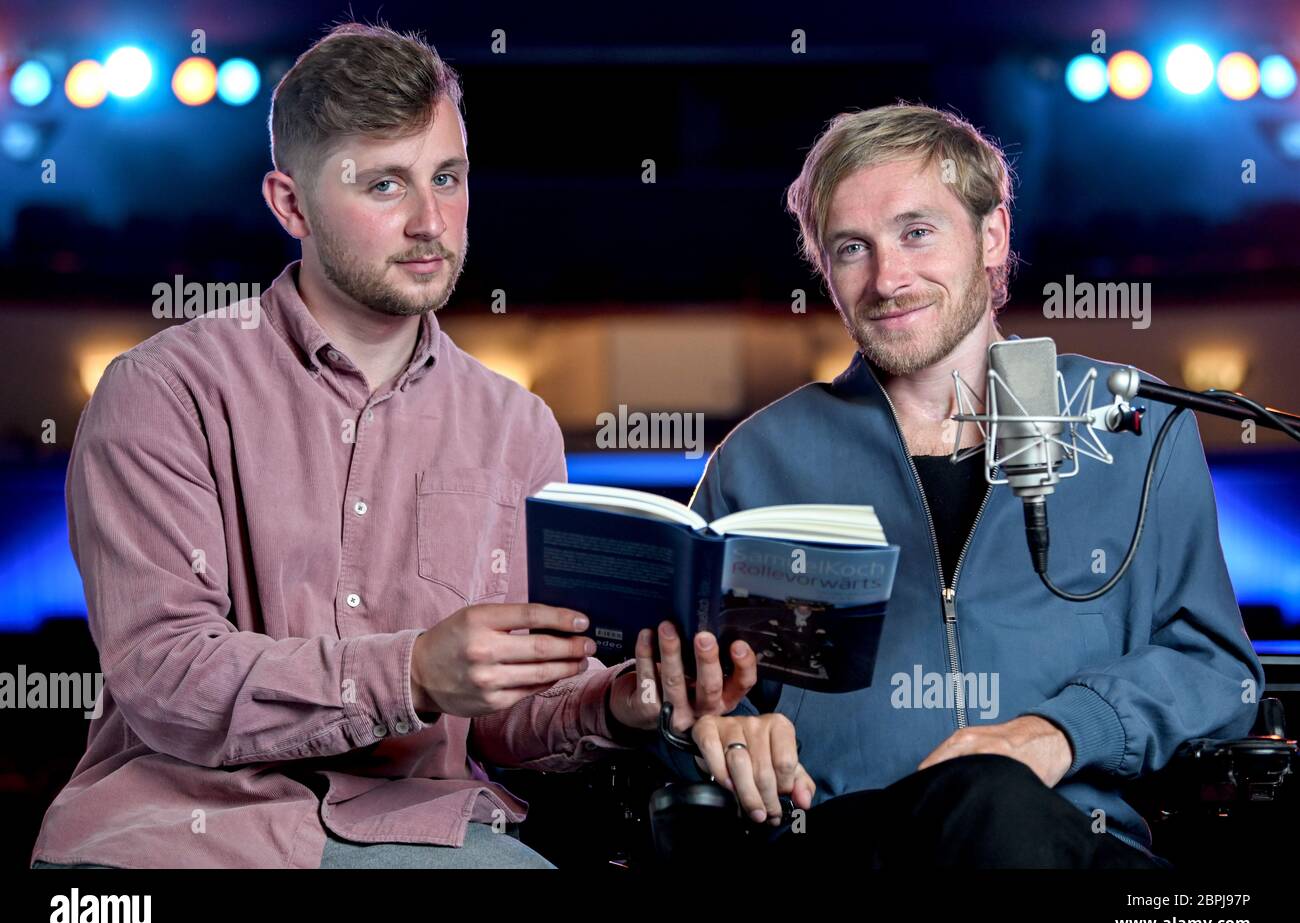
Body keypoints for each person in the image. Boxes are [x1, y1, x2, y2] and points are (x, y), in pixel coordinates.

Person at [30, 21, 783, 870]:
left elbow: (508, 719)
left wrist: (618, 705)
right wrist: (414, 673)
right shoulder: (162, 391)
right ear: (290, 205)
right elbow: (168, 677)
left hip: (428, 836)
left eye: (448, 178)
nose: (431, 222)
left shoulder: (516, 425)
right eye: (385, 186)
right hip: (176, 837)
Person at [653, 103, 1264, 867]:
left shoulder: (1130, 426)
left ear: (993, 237)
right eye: (852, 248)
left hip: (1075, 843)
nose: (888, 278)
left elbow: (1215, 669)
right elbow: (698, 698)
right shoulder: (759, 462)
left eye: (917, 232)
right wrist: (719, 728)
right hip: (846, 845)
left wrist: (1055, 735)